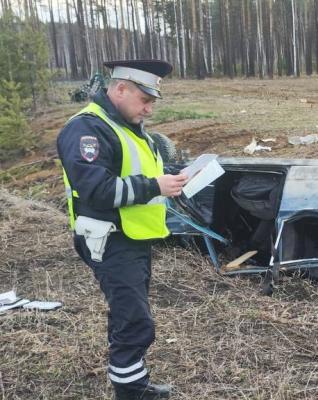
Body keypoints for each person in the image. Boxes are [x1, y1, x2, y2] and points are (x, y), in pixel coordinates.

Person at [57, 60, 188, 400]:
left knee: (129, 315)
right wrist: (155, 186)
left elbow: (139, 171)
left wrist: (171, 179)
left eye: (152, 101)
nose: (149, 108)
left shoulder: (126, 126)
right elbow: (97, 190)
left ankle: (132, 384)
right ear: (119, 90)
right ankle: (131, 393)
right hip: (109, 239)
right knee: (135, 321)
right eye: (145, 99)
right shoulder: (87, 129)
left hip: (133, 236)